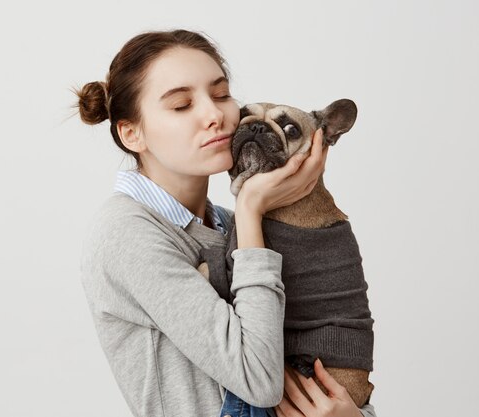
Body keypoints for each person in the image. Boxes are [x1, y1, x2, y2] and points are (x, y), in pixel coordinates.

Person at [76, 29, 377, 417]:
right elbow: (258, 381)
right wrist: (251, 206)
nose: (214, 114)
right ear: (132, 133)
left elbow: (330, 346)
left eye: (220, 95)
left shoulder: (227, 225)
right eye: (182, 104)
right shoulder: (126, 233)